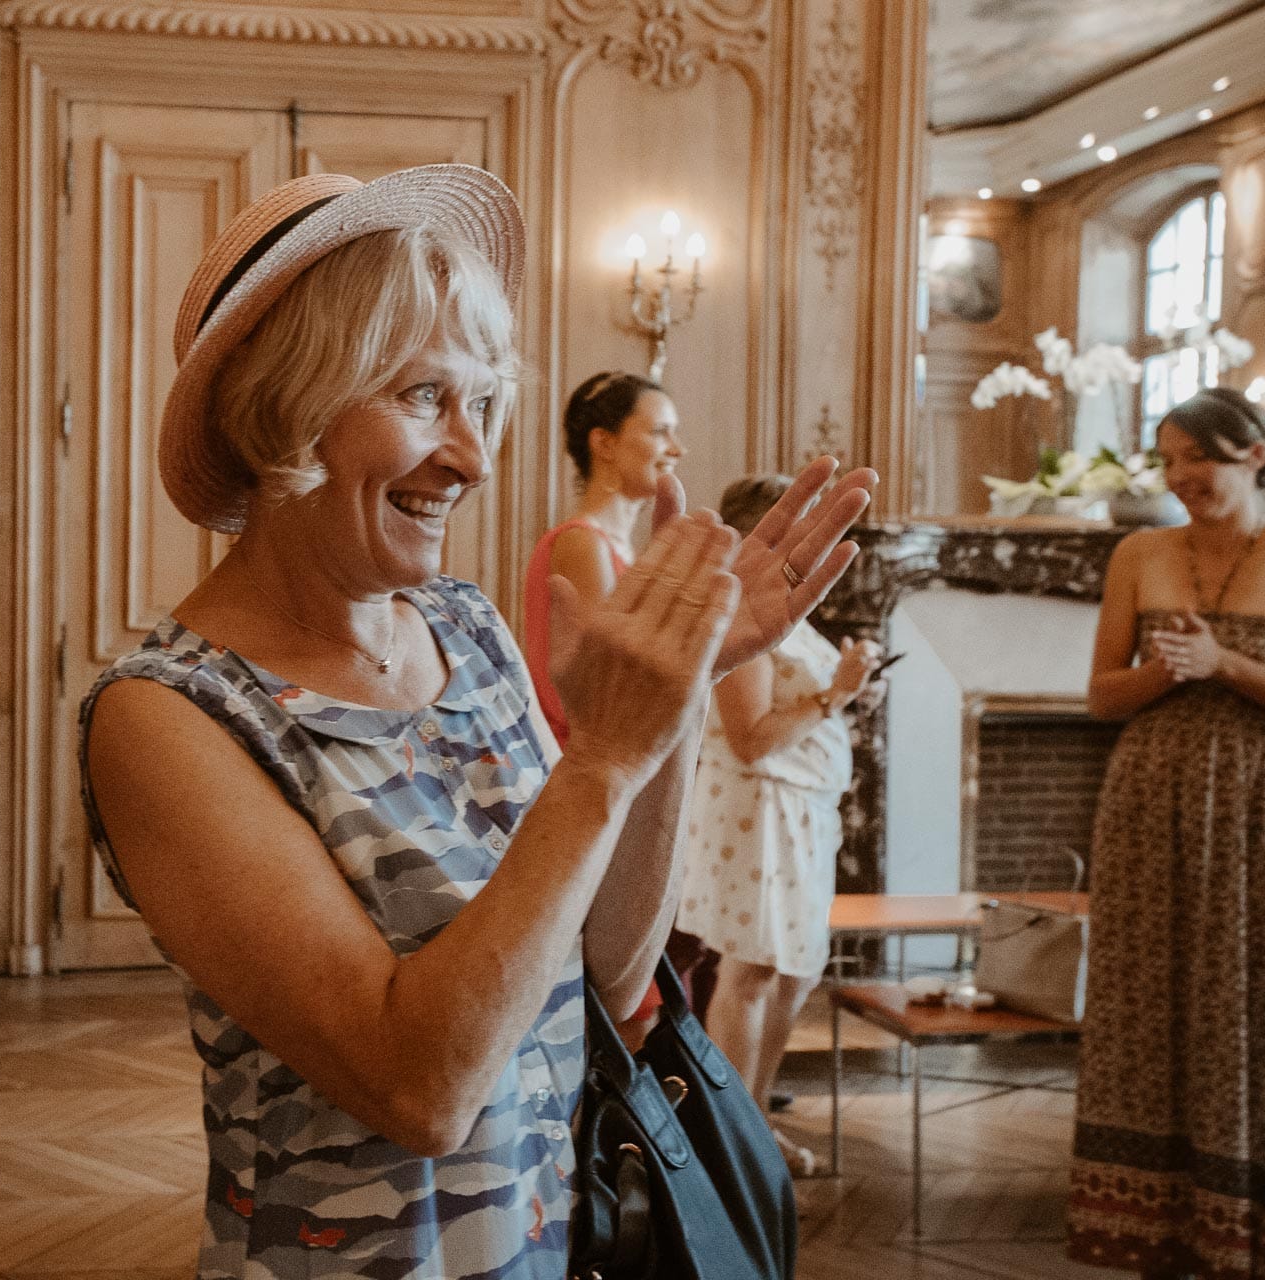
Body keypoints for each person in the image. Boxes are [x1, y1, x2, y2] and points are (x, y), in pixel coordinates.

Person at [78, 164, 875, 1277]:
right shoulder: (169, 715)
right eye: (421, 398)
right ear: (285, 404)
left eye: (481, 401)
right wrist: (601, 755)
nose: (475, 456)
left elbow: (604, 965)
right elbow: (421, 1088)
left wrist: (683, 686)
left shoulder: (465, 624)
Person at [1067, 387, 1265, 1279]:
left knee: (1264, 1003)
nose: (1179, 479)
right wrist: (1168, 678)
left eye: (1194, 459)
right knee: (1149, 1001)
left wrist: (1226, 663)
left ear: (1253, 453)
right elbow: (1100, 695)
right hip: (1149, 803)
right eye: (1167, 461)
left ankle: (1253, 1228)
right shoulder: (1139, 553)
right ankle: (1153, 1228)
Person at [676, 474, 879, 1179]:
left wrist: (839, 687)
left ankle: (754, 1120)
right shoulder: (742, 615)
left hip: (801, 813)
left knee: (791, 973)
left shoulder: (795, 611)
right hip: (758, 814)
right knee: (753, 972)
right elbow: (752, 738)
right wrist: (836, 695)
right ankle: (726, 1138)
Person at [520, 371, 689, 1034]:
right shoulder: (581, 542)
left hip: (625, 785)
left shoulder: (623, 548)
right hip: (585, 782)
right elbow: (605, 690)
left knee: (628, 1002)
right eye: (660, 430)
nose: (677, 448)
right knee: (618, 1007)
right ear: (606, 444)